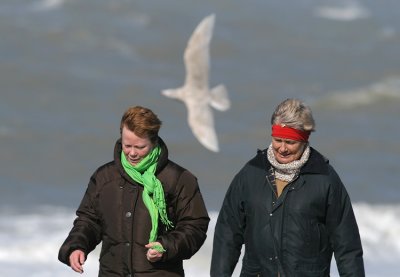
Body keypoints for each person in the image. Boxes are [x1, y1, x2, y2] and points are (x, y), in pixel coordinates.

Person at [211, 98, 365, 276]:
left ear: (304, 141)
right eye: (278, 140)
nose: (282, 148)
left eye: (290, 142)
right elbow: (227, 235)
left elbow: (347, 246)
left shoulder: (325, 179)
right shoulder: (250, 173)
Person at [59, 106, 210, 276]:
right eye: (127, 145)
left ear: (154, 142)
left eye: (140, 147)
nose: (132, 153)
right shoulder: (104, 177)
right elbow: (89, 220)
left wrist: (166, 246)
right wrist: (77, 246)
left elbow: (195, 225)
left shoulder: (179, 179)